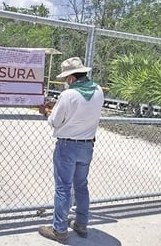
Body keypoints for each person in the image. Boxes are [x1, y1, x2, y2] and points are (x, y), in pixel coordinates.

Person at [38, 57, 104, 244]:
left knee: (63, 187)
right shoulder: (98, 90)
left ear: (72, 78)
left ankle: (59, 229)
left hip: (67, 145)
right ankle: (81, 224)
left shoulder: (68, 95)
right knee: (81, 186)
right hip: (87, 145)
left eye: (66, 78)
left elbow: (56, 122)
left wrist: (47, 112)